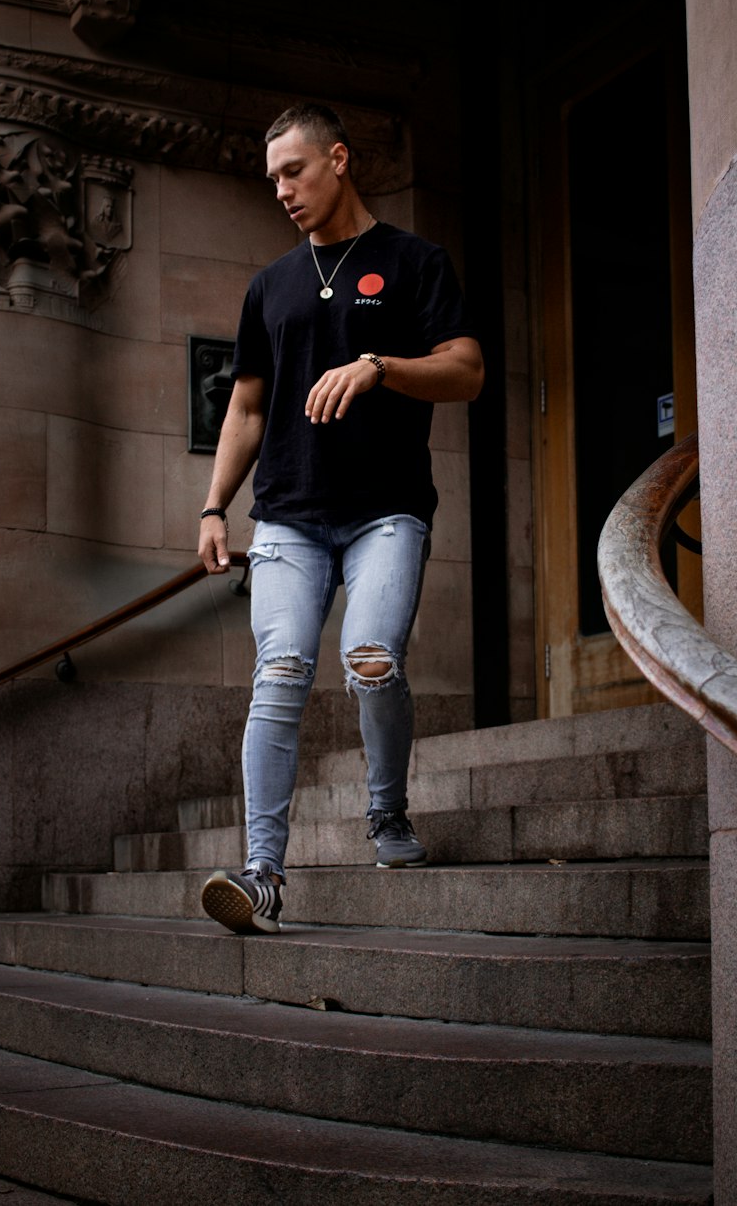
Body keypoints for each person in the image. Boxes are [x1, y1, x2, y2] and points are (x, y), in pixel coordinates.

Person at [197, 102, 484, 935]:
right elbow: (247, 406)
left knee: (370, 660)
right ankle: (262, 876)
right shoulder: (270, 287)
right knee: (280, 671)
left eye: (295, 170)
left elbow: (465, 371)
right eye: (273, 178)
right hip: (287, 514)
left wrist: (380, 367)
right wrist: (216, 505)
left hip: (385, 512)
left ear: (340, 159)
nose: (282, 190)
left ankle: (386, 813)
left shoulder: (413, 262)